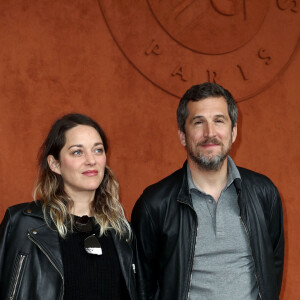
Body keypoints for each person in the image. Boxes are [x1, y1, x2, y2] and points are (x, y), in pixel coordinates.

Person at [131, 83, 284, 300]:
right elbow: (143, 286)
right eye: (198, 122)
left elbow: (272, 267)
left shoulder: (264, 193)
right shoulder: (154, 204)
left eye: (219, 121)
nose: (209, 133)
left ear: (233, 132)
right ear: (183, 135)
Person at [0, 113, 143, 300]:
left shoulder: (123, 233)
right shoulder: (22, 224)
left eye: (98, 150)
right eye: (77, 151)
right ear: (55, 164)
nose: (91, 160)